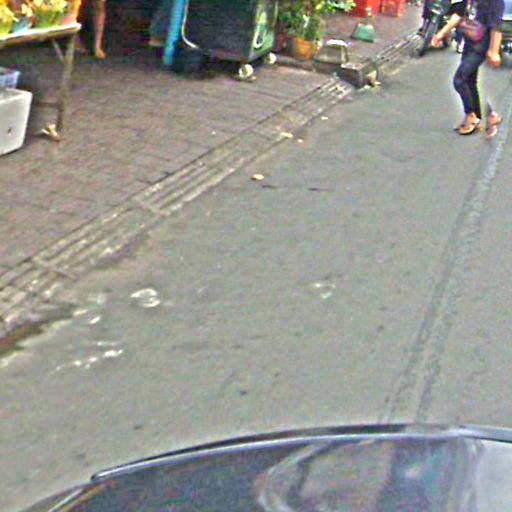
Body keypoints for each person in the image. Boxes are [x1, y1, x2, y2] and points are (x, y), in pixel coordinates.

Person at [431, 0, 505, 138]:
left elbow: (496, 26)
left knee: (460, 80)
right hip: (469, 41)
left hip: (482, 45)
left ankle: (471, 115)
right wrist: (441, 34)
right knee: (469, 81)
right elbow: (458, 15)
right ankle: (489, 115)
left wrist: (494, 51)